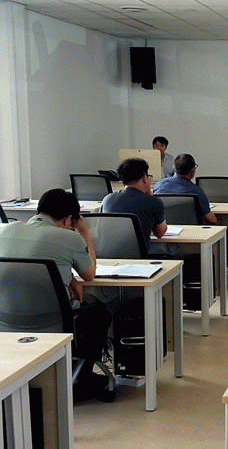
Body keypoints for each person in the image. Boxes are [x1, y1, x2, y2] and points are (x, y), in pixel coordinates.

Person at [0, 188, 110, 399]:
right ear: (68, 220)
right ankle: (81, 379)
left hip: (6, 319)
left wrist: (67, 278)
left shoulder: (5, 230)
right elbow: (90, 274)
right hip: (52, 321)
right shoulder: (68, 237)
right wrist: (84, 232)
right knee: (98, 312)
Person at [102, 158, 168, 250]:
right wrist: (151, 197)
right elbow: (160, 233)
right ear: (145, 178)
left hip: (108, 254)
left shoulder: (107, 199)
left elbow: (100, 230)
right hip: (138, 256)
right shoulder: (153, 202)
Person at [153, 153, 217, 225]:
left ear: (174, 168)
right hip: (192, 230)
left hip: (164, 229)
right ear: (192, 172)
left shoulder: (159, 185)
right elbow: (211, 220)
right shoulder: (196, 191)